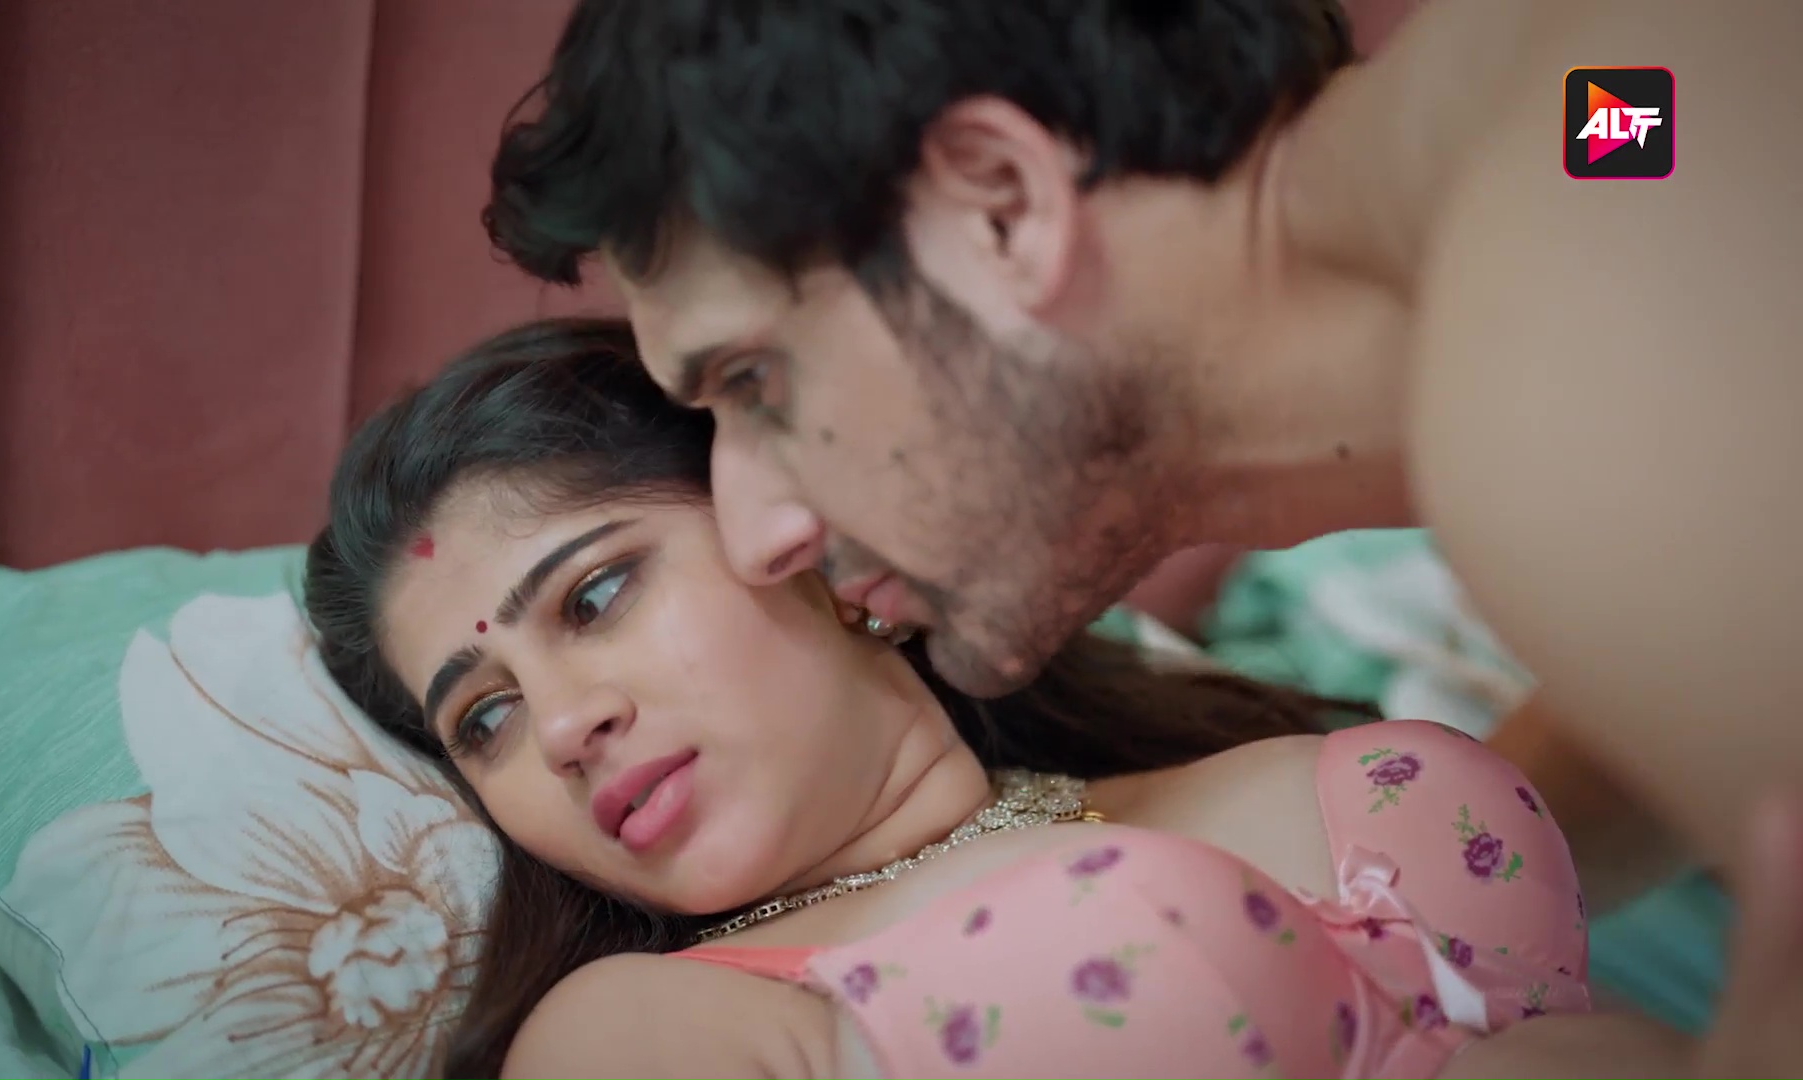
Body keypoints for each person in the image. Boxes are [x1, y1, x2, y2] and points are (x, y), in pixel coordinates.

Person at [478, 0, 1802, 1040]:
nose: (759, 532)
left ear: (1000, 202)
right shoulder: (1594, 106)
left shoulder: (1565, 356)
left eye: (756, 384)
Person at [303, 319, 1695, 1080]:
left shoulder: (1270, 764)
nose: (561, 728)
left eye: (596, 595)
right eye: (483, 720)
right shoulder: (642, 1034)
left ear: (795, 531)